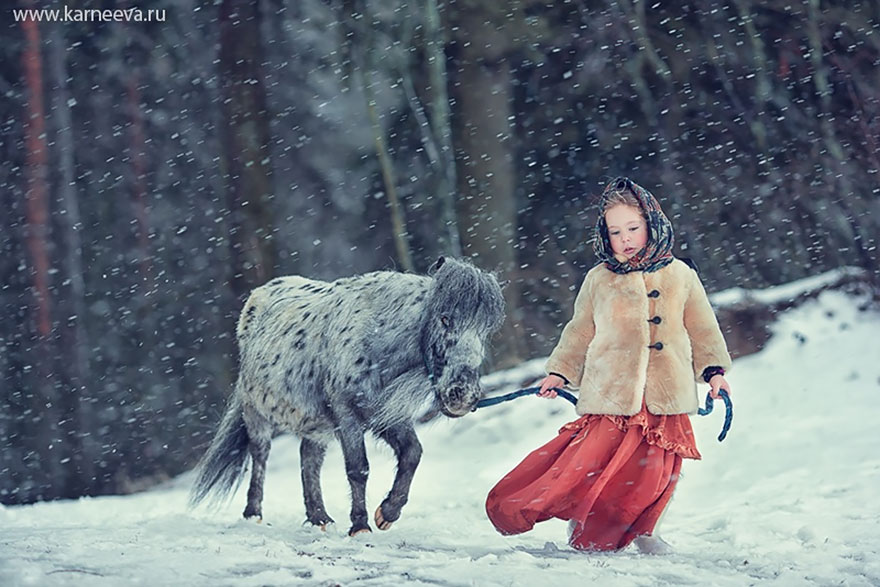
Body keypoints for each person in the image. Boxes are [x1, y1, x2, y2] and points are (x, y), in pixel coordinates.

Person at [485, 177, 732, 554]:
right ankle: (581, 522)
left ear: (652, 224)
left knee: (658, 473)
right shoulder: (598, 280)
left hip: (666, 393)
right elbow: (579, 331)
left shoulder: (681, 275)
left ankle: (646, 531)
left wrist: (714, 373)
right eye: (615, 231)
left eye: (633, 228)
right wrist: (560, 372)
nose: (625, 238)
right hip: (611, 395)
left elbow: (702, 327)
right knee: (593, 465)